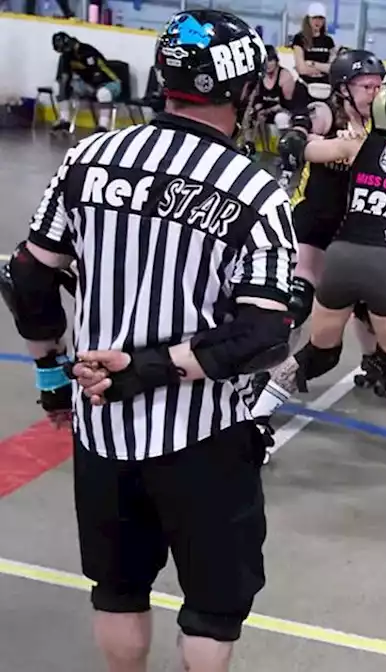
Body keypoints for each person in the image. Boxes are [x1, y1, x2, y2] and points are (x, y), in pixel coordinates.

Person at [1, 10, 291, 670]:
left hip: (101, 428)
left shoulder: (88, 157)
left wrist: (53, 378)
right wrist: (154, 367)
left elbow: (28, 275)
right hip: (203, 435)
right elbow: (264, 332)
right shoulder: (253, 189)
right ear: (244, 91)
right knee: (212, 611)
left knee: (119, 591)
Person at [254, 84, 386, 469]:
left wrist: (304, 129)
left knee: (317, 354)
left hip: (342, 256)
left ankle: (256, 420)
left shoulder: (356, 146)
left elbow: (299, 149)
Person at [279, 50, 386, 333]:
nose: (374, 94)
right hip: (313, 220)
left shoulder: (382, 124)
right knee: (296, 304)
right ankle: (269, 372)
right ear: (343, 88)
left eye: (378, 86)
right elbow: (302, 126)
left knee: (369, 310)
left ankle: (370, 370)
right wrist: (299, 134)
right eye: (366, 87)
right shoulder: (328, 115)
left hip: (355, 227)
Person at [50, 31, 122, 133]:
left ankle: (103, 127)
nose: (64, 52)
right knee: (57, 86)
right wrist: (64, 86)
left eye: (65, 49)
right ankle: (64, 120)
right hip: (87, 84)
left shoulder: (88, 52)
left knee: (103, 94)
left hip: (109, 82)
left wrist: (91, 88)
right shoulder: (65, 56)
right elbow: (63, 77)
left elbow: (99, 75)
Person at [242, 46, 296, 157]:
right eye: (265, 61)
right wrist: (255, 108)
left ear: (276, 61)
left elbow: (288, 104)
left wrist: (267, 110)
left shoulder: (285, 76)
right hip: (265, 109)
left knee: (280, 118)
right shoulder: (260, 76)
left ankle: (285, 151)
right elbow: (255, 97)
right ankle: (253, 147)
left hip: (282, 110)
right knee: (250, 116)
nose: (268, 64)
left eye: (270, 61)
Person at [290, 2, 337, 108]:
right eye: (314, 18)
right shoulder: (300, 39)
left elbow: (332, 68)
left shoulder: (328, 41)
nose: (317, 22)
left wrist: (312, 64)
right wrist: (322, 69)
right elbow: (301, 68)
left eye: (320, 19)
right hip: (305, 86)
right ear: (308, 19)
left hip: (324, 88)